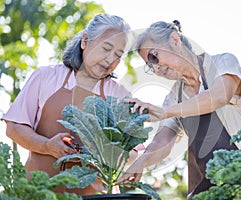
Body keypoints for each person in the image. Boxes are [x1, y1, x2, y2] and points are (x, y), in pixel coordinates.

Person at [117, 20, 241, 199]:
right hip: (212, 187)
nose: (156, 67)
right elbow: (161, 142)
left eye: (154, 57)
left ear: (175, 40)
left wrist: (167, 112)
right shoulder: (174, 97)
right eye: (149, 66)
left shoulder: (223, 63)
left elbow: (219, 96)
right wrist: (140, 163)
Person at [2, 13, 142, 195]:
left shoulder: (120, 95)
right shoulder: (45, 78)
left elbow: (134, 152)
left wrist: (104, 152)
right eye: (105, 48)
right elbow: (14, 128)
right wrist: (46, 146)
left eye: (118, 55)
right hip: (39, 193)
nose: (110, 60)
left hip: (96, 196)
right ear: (85, 41)